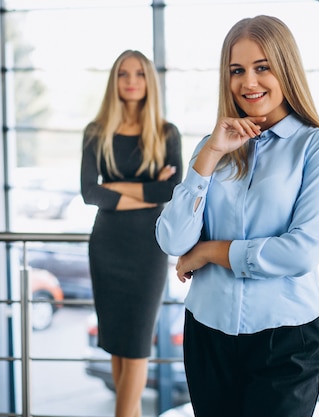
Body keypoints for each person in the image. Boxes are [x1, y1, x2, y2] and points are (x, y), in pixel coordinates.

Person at [155, 15, 319, 417]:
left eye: (263, 68)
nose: (249, 82)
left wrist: (208, 252)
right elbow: (172, 241)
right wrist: (209, 156)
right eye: (237, 71)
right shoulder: (212, 147)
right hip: (208, 332)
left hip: (287, 340)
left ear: (286, 70)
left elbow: (299, 253)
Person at [80, 49, 182, 417]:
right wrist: (145, 190)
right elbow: (90, 193)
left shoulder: (167, 133)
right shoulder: (96, 132)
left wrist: (119, 188)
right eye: (124, 74)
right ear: (115, 81)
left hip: (147, 247)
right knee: (118, 346)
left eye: (139, 73)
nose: (131, 81)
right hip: (107, 245)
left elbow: (169, 191)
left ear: (148, 81)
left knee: (137, 345)